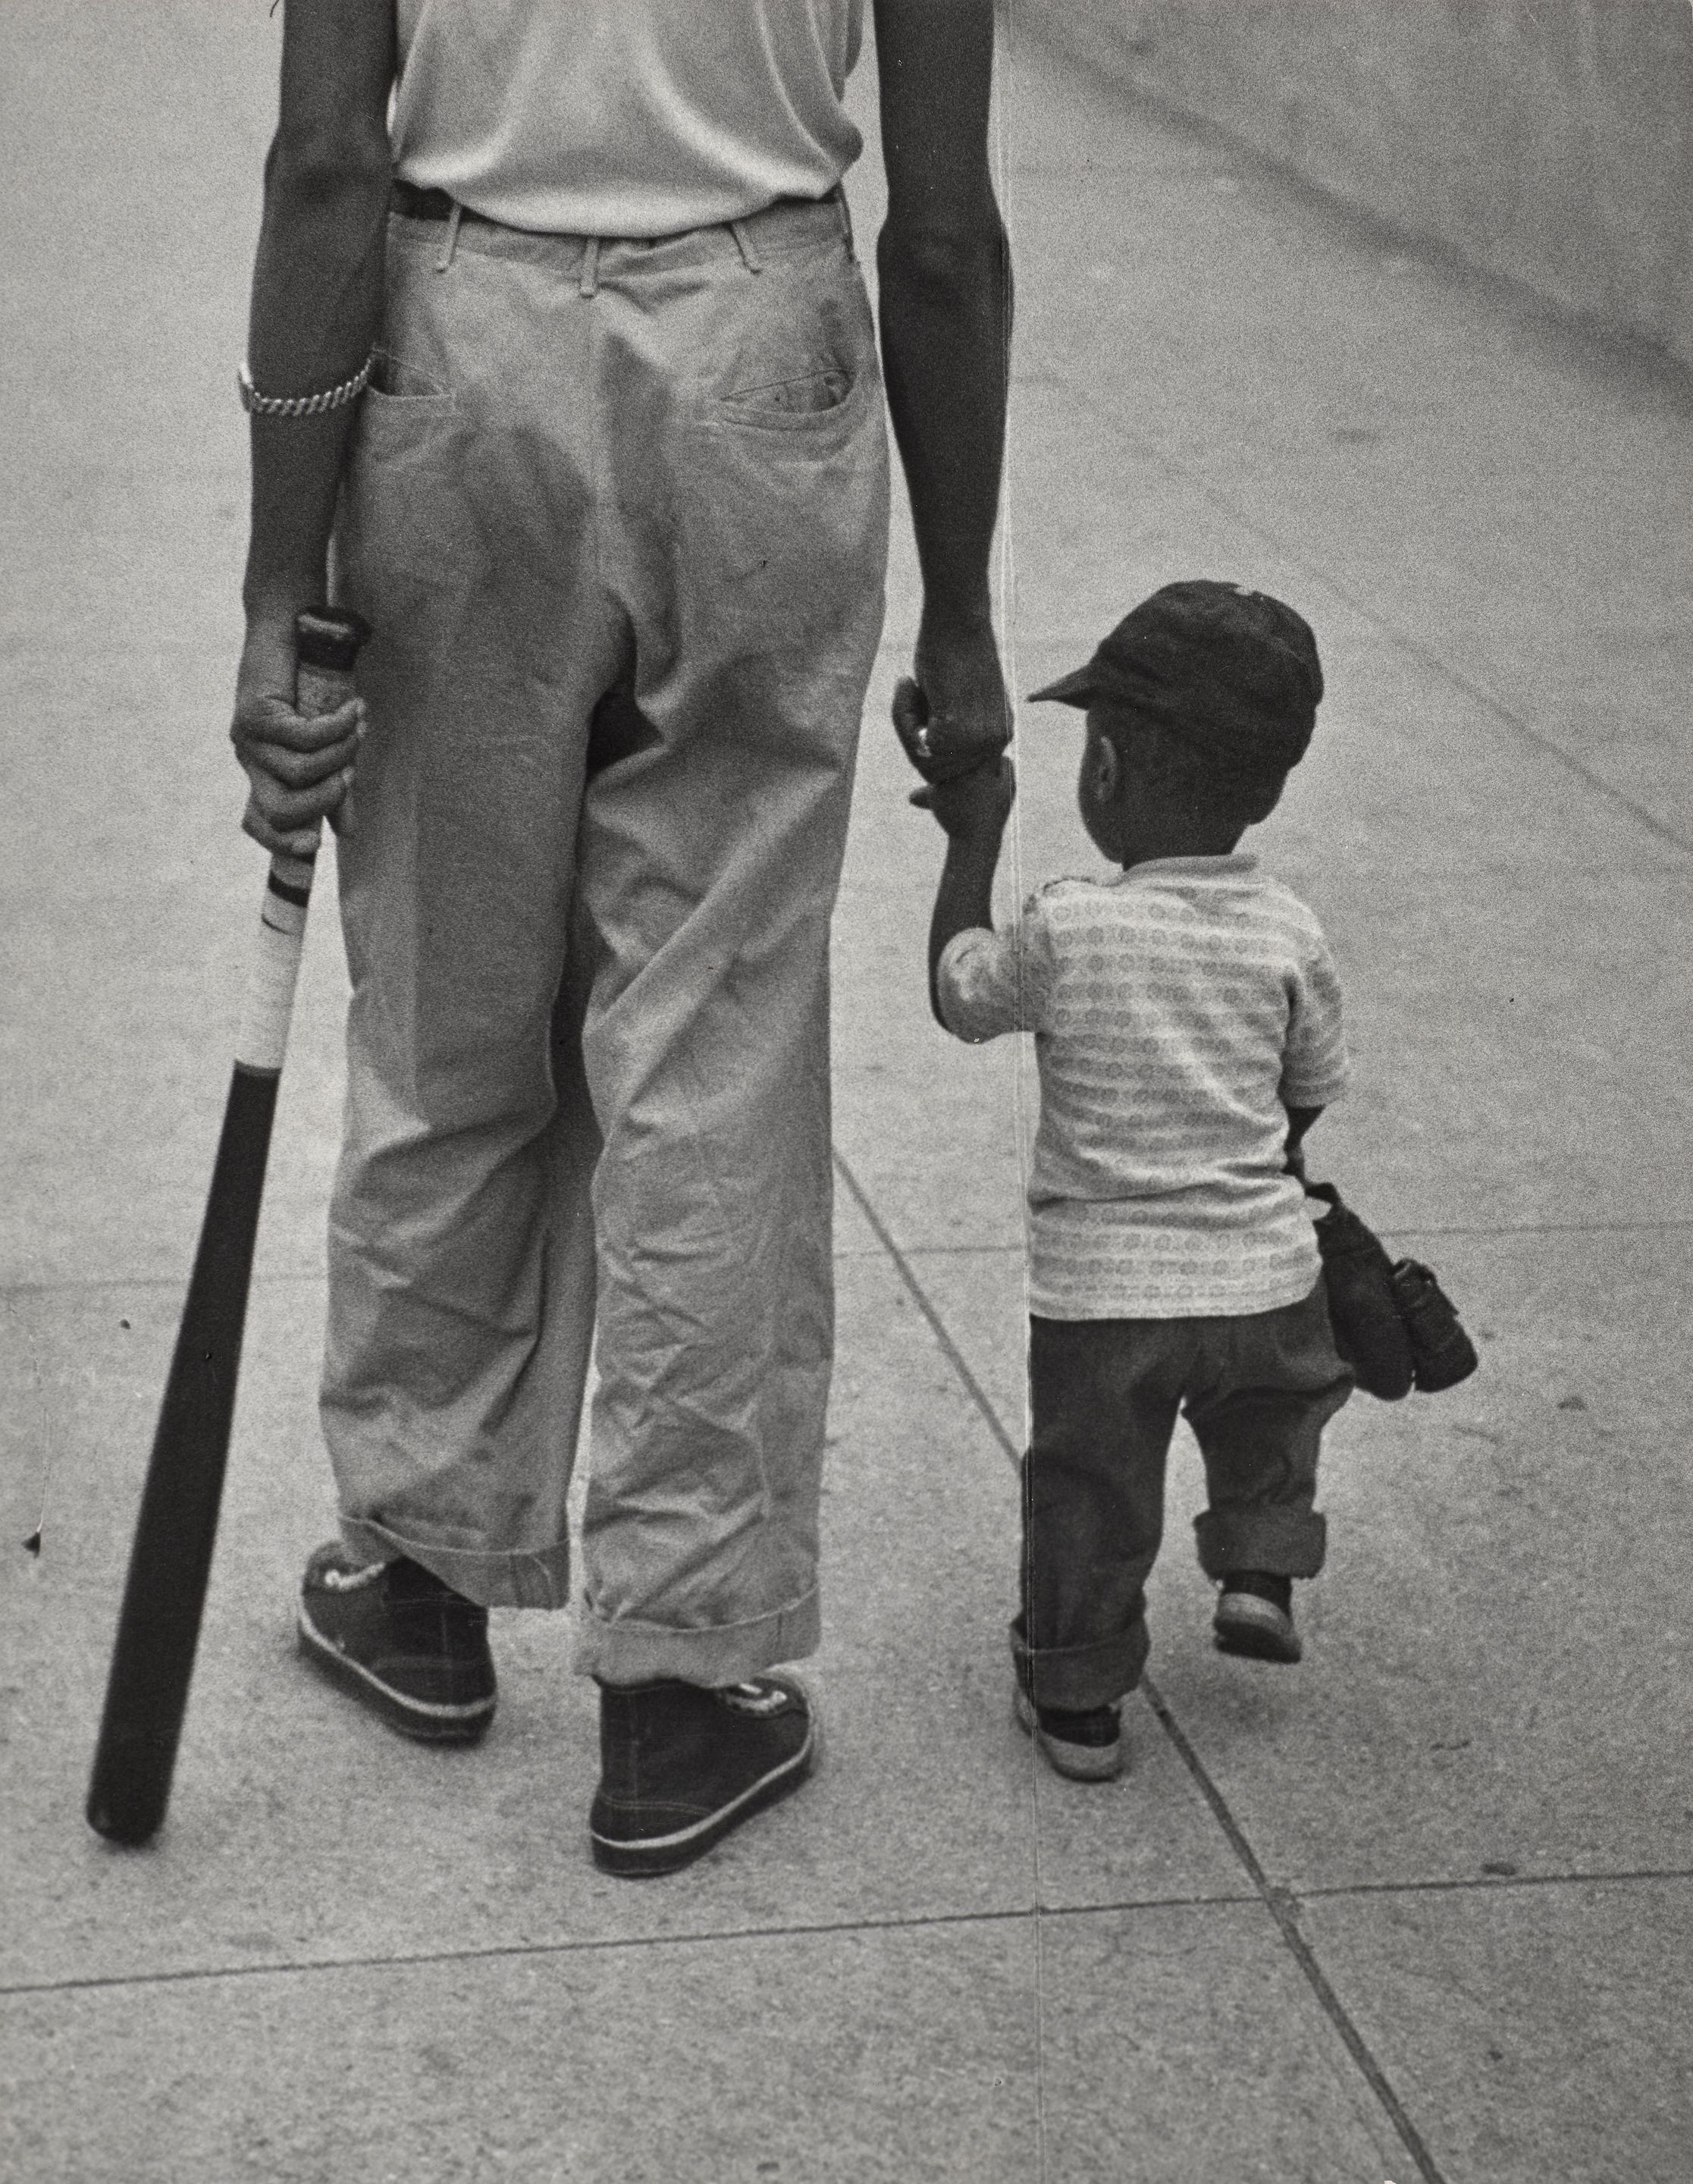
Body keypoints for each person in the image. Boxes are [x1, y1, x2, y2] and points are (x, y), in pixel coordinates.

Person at [229, 0, 1011, 1876]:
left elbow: (330, 160)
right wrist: (963, 610)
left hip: (462, 338)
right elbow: (944, 228)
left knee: (448, 994)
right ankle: (681, 1681)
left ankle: (419, 1575)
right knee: (713, 1035)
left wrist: (276, 583)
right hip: (761, 346)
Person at [896, 579, 1353, 1783]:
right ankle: (1257, 1564)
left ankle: (1082, 1706)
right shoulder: (1287, 931)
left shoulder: (1066, 926)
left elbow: (959, 992)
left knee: (1089, 1498)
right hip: (1261, 1277)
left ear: (1105, 769)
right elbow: (1310, 1086)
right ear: (1264, 787)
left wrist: (972, 836)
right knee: (1274, 1413)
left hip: (1104, 1306)